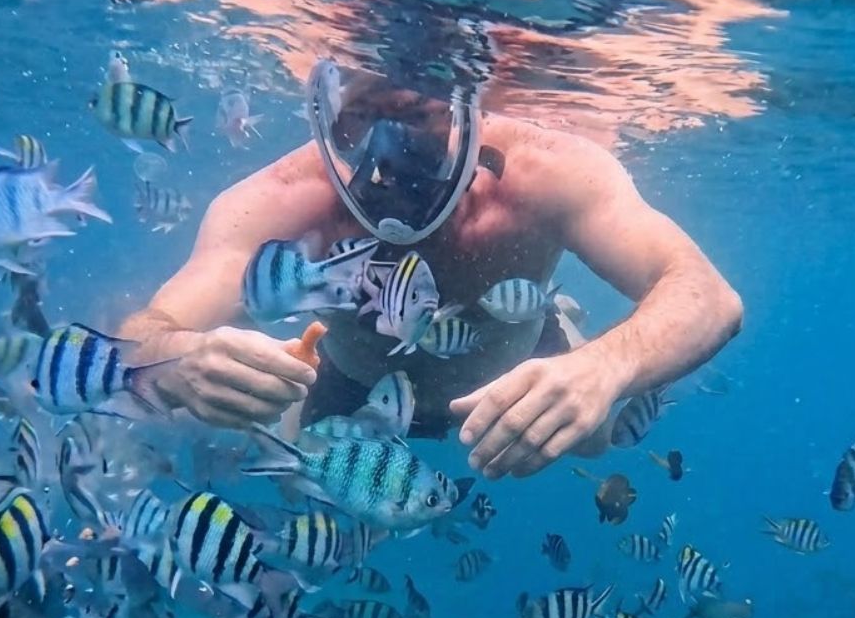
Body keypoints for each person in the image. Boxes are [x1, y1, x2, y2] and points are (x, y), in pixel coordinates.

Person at [120, 60, 742, 480]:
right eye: (359, 118)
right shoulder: (285, 196)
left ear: (467, 111)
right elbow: (144, 331)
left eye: (415, 116)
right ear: (327, 115)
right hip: (351, 377)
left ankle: (555, 320)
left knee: (598, 438)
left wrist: (602, 369)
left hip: (519, 371)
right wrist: (177, 360)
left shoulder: (544, 171)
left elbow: (706, 293)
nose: (386, 153)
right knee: (297, 483)